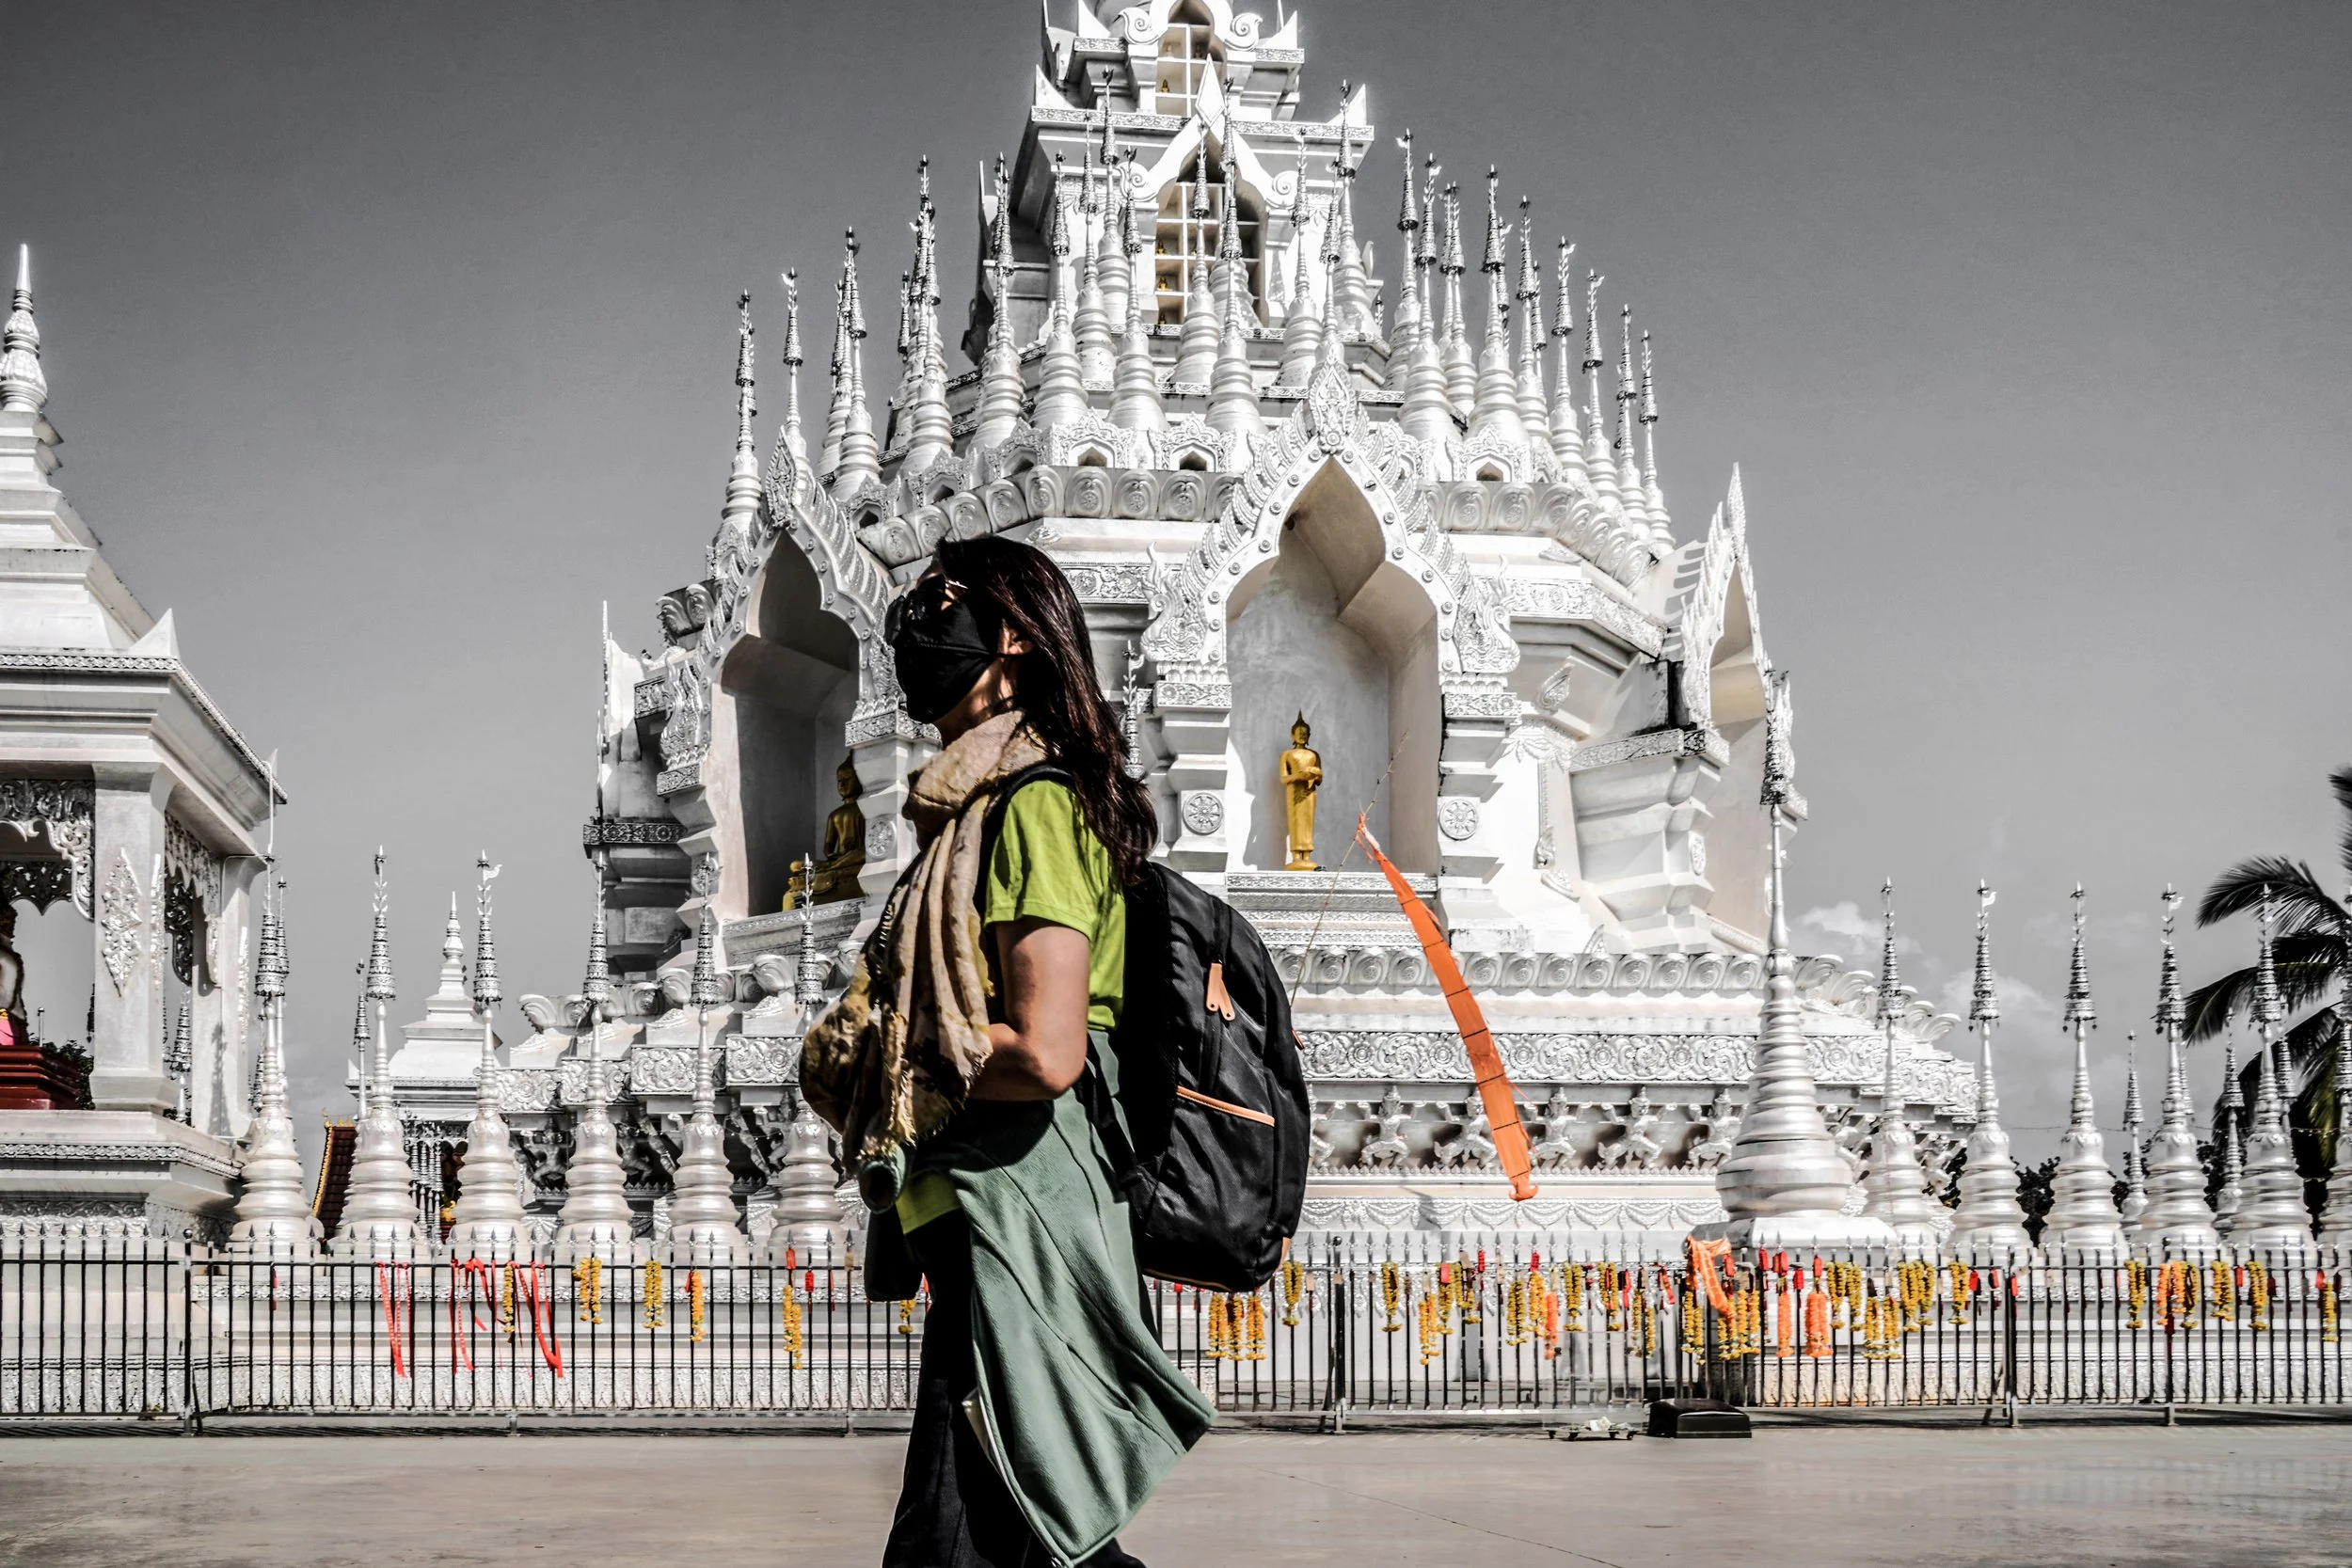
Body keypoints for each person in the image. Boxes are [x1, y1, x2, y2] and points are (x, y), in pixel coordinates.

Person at [803, 535, 1212, 1568]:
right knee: (1024, 1534)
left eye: (943, 602)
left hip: (1019, 1212)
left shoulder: (1034, 801)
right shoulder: (967, 811)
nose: (916, 625)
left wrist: (895, 1054)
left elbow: (1046, 1046)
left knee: (964, 1541)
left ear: (1015, 633)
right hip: (977, 1214)